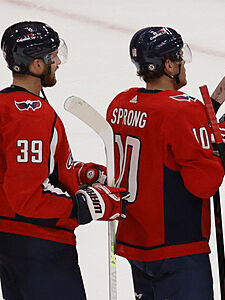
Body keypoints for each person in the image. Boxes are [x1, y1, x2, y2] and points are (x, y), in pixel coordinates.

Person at [106, 26, 225, 300]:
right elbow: (203, 184)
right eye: (179, 58)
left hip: (136, 240)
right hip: (177, 247)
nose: (183, 64)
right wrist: (222, 144)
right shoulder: (183, 110)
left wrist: (203, 132)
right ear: (167, 64)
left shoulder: (119, 104)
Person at [0, 21, 129, 299]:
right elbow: (28, 198)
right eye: (52, 56)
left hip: (12, 243)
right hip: (39, 246)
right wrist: (86, 204)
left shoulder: (5, 105)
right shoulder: (32, 114)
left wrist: (76, 173)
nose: (57, 62)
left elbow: (18, 169)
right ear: (36, 65)